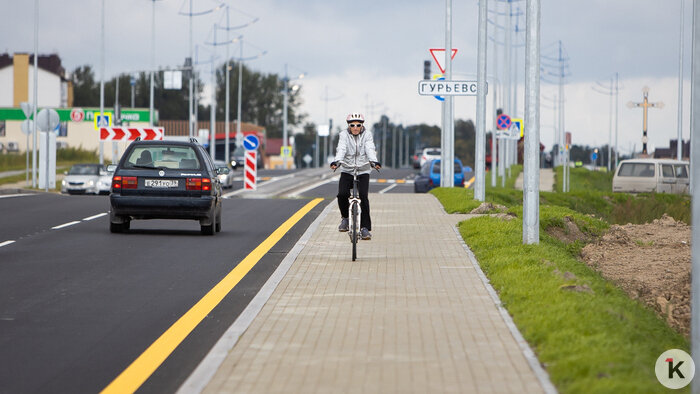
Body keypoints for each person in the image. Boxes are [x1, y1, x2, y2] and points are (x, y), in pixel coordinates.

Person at [330, 113, 381, 240]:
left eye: (358, 125)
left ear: (362, 125)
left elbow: (370, 149)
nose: (355, 128)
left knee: (363, 196)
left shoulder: (367, 135)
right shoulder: (343, 135)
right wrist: (337, 162)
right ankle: (345, 219)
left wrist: (373, 162)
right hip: (347, 169)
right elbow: (341, 149)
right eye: (352, 125)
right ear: (348, 126)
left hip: (363, 170)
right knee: (342, 194)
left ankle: (365, 228)